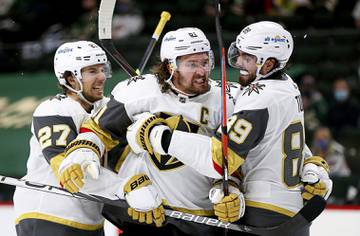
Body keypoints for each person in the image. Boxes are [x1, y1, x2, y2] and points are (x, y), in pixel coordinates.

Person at [130, 21, 333, 236]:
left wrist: (160, 137)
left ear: (269, 64)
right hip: (293, 211)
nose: (239, 62)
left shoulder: (259, 99)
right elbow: (275, 138)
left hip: (264, 214)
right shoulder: (287, 85)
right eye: (240, 54)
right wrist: (311, 162)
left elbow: (219, 160)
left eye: (248, 58)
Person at [61, 27, 241, 235]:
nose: (202, 71)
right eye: (192, 64)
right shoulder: (140, 90)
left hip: (199, 220)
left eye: (205, 62)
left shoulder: (227, 99)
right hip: (144, 214)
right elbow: (99, 130)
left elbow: (233, 159)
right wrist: (83, 152)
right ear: (170, 66)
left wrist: (230, 189)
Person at [13, 41, 110, 236]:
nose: (101, 77)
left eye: (102, 69)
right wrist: (127, 189)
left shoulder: (105, 108)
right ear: (70, 78)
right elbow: (69, 171)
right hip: (47, 214)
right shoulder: (55, 109)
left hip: (90, 218)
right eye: (92, 71)